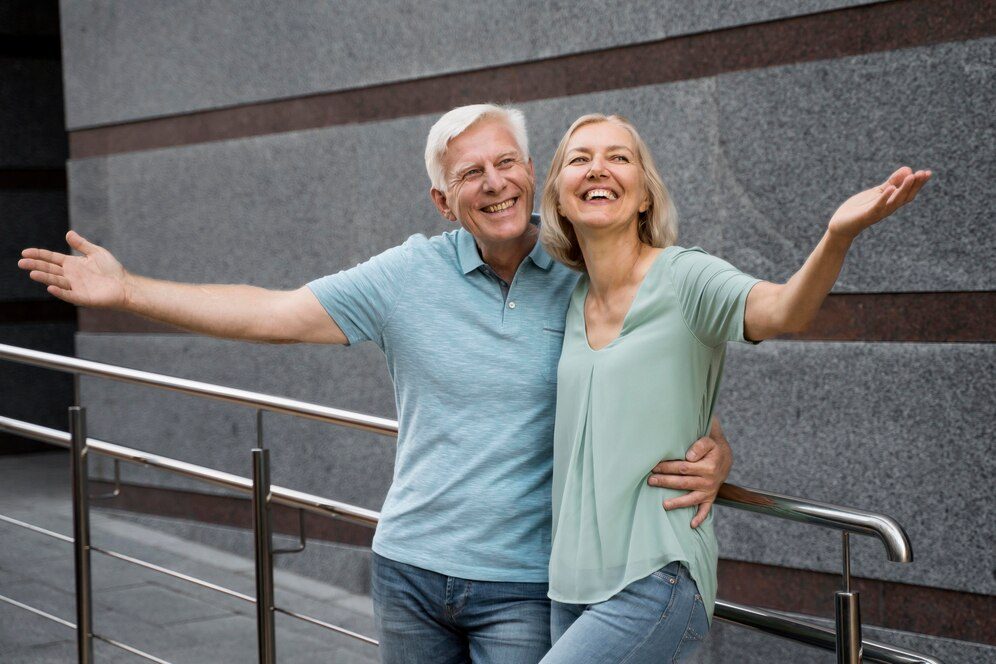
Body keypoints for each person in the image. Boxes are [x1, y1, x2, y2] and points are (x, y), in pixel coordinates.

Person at [18, 104, 735, 663]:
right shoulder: (406, 275)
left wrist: (713, 445)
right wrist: (128, 292)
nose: (493, 183)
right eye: (470, 174)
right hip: (408, 573)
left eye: (506, 163)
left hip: (524, 584)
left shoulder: (585, 266)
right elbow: (272, 311)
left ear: (532, 171)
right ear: (442, 200)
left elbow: (660, 361)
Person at [535, 113, 930, 663]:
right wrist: (715, 440)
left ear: (646, 196)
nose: (598, 168)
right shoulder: (571, 298)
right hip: (569, 588)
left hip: (656, 579)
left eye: (618, 157)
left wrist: (836, 237)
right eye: (579, 159)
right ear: (557, 197)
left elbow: (782, 310)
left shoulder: (685, 277)